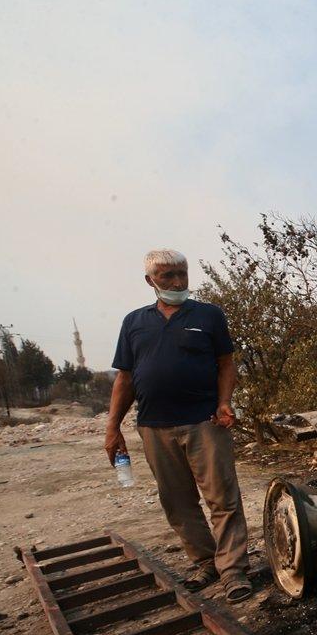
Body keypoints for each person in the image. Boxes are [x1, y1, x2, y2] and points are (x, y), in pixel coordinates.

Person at [105, 249, 253, 603]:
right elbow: (125, 378)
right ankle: (205, 563)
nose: (176, 282)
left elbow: (226, 364)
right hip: (155, 427)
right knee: (178, 502)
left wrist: (224, 401)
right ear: (150, 281)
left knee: (223, 499)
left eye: (181, 274)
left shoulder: (208, 315)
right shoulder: (134, 322)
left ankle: (233, 571)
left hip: (205, 422)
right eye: (167, 276)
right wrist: (113, 428)